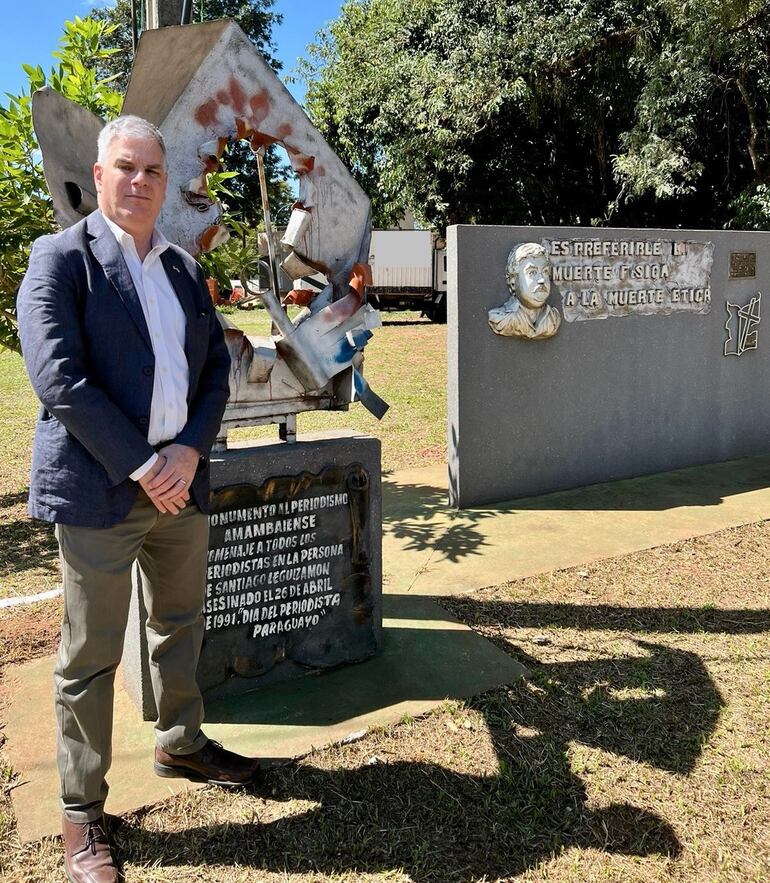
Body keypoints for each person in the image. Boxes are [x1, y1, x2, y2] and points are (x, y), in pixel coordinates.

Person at [17, 115, 259, 883]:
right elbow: (59, 380)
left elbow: (216, 370)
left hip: (180, 489)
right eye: (126, 167)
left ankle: (181, 740)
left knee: (181, 621)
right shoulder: (60, 260)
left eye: (153, 170)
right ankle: (81, 813)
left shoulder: (184, 270)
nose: (140, 181)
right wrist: (144, 464)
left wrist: (187, 451)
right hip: (101, 493)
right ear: (99, 176)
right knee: (88, 658)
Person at [488, 242, 562, 340]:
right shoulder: (500, 319)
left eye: (545, 272)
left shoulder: (553, 318)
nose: (541, 280)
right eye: (532, 273)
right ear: (513, 281)